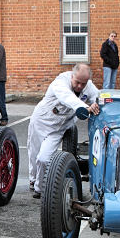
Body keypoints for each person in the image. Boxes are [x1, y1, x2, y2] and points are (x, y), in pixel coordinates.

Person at [27, 64, 100, 198]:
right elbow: (67, 97)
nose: (79, 86)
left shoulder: (88, 86)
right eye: (77, 82)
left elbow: (98, 97)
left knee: (43, 158)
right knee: (34, 154)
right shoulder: (60, 82)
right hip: (41, 121)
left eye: (83, 84)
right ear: (72, 76)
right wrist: (84, 107)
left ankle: (40, 188)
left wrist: (96, 104)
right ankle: (33, 179)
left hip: (58, 128)